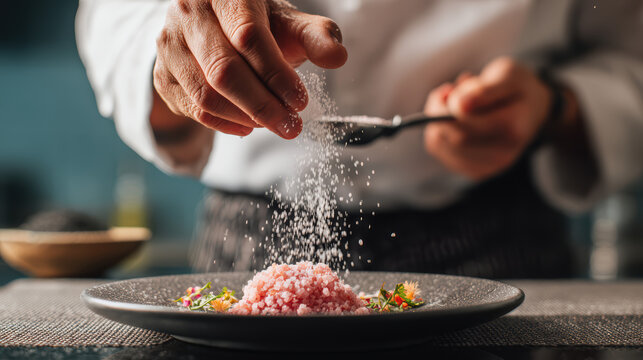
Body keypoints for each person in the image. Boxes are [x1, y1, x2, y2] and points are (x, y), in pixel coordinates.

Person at [76, 0, 643, 278]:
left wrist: (556, 106)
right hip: (250, 245)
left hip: (496, 239)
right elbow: (119, 14)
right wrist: (175, 54)